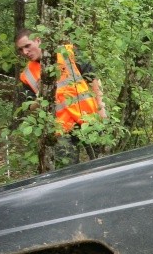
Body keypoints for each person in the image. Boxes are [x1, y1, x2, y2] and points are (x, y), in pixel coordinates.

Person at [15, 28, 107, 164]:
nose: (25, 52)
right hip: (60, 129)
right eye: (21, 50)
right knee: (68, 175)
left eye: (27, 46)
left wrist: (101, 108)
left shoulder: (67, 53)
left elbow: (93, 78)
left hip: (89, 118)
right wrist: (41, 96)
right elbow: (30, 108)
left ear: (38, 40)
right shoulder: (26, 75)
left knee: (104, 164)